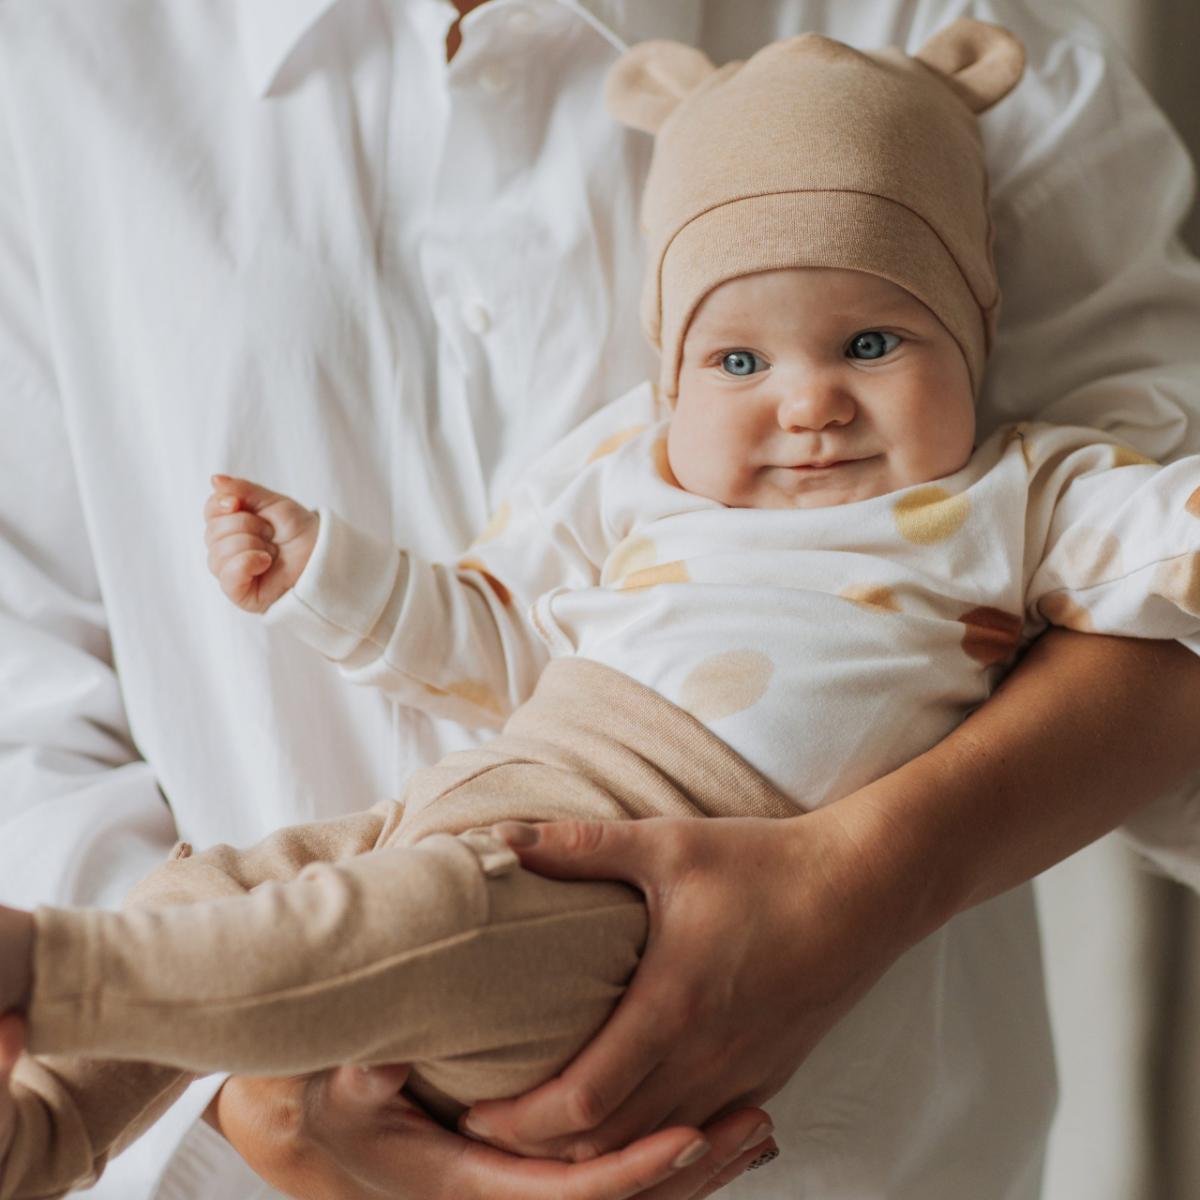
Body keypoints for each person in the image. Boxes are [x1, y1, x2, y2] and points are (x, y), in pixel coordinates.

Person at [1, 2, 1199, 1199]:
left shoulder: (1025, 490)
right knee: (223, 892)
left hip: (596, 904)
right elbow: (485, 633)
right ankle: (51, 1117)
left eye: (876, 343)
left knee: (436, 922)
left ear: (969, 335)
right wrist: (327, 578)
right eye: (740, 362)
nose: (811, 403)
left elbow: (1166, 571)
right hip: (414, 877)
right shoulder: (629, 472)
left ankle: (72, 974)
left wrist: (870, 881)